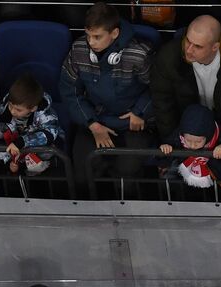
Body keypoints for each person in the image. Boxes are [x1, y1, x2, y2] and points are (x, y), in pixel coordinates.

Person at [59, 2, 156, 193]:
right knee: (83, 169)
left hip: (132, 124)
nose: (91, 42)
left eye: (97, 36)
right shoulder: (79, 50)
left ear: (115, 33)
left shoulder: (140, 53)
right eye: (88, 35)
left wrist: (140, 112)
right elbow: (69, 90)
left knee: (126, 172)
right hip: (94, 121)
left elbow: (158, 88)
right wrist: (92, 124)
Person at [149, 14, 221, 143]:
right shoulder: (168, 58)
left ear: (215, 47)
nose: (189, 50)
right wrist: (172, 142)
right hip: (187, 135)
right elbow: (162, 102)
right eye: (188, 41)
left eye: (198, 46)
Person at [158, 103, 221, 193]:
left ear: (208, 135)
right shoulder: (178, 136)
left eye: (198, 141)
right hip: (187, 181)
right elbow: (166, 150)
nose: (193, 145)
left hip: (219, 182)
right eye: (188, 140)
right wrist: (166, 147)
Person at [0, 73, 64, 177]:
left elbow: (50, 133)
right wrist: (8, 161)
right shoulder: (2, 113)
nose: (12, 111)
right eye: (11, 106)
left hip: (45, 159)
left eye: (18, 109)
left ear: (33, 108)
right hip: (17, 160)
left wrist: (21, 142)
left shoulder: (45, 114)